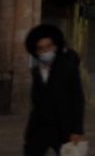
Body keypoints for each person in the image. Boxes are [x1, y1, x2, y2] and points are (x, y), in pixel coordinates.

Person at [23, 23, 85, 156]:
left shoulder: (68, 69)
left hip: (63, 128)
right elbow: (36, 101)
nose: (45, 51)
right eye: (41, 48)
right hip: (39, 128)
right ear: (36, 52)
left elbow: (77, 98)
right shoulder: (36, 71)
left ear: (55, 47)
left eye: (48, 46)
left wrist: (77, 129)